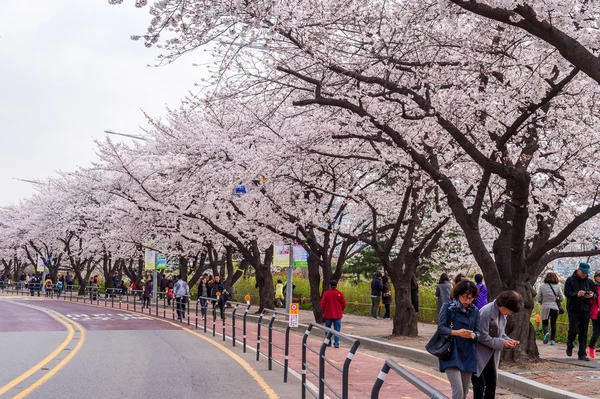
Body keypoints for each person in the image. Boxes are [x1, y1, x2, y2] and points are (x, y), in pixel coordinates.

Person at [472, 290, 523, 399]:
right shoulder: (486, 312)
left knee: (491, 383)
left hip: (491, 354)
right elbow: (482, 336)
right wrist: (502, 342)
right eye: (509, 310)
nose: (509, 313)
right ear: (503, 305)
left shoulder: (502, 314)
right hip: (479, 354)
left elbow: (501, 333)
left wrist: (508, 341)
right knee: (479, 386)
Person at [436, 280, 480, 399]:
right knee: (458, 391)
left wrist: (472, 335)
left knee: (465, 391)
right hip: (451, 352)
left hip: (468, 353)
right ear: (458, 294)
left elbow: (478, 332)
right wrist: (457, 333)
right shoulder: (448, 307)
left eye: (471, 298)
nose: (467, 301)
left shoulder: (475, 311)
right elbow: (441, 328)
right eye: (465, 297)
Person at [564, 262, 597, 360]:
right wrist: (577, 294)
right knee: (574, 329)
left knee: (584, 332)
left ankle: (582, 353)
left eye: (586, 273)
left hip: (585, 310)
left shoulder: (590, 282)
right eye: (583, 272)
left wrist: (592, 296)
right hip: (573, 309)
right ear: (578, 270)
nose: (584, 274)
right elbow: (567, 292)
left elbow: (596, 294)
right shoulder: (570, 280)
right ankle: (570, 344)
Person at [538, 271, 563, 346]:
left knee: (545, 323)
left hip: (545, 306)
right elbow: (562, 297)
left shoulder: (542, 286)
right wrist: (557, 300)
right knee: (553, 324)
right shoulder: (558, 287)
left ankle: (546, 333)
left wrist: (542, 301)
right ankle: (552, 340)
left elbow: (539, 298)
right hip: (555, 307)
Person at [320, 280, 347, 348]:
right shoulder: (340, 294)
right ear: (336, 285)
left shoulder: (326, 293)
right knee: (337, 329)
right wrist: (340, 310)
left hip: (328, 314)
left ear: (329, 285)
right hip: (337, 314)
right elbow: (344, 304)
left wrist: (324, 311)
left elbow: (322, 304)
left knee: (328, 328)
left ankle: (328, 342)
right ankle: (336, 343)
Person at [589, 271, 600, 358]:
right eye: (598, 276)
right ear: (595, 277)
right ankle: (591, 347)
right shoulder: (593, 287)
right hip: (596, 312)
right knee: (596, 332)